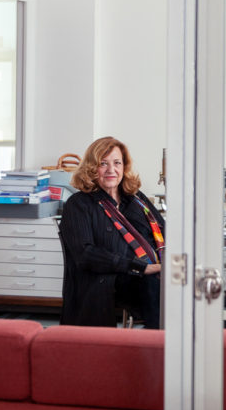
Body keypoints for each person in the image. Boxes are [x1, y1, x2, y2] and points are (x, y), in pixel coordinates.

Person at [59, 136, 165, 329]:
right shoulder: (78, 205)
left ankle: (198, 338)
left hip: (150, 270)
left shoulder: (136, 198)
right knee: (155, 287)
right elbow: (86, 255)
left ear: (124, 167)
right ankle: (160, 345)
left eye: (117, 163)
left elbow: (164, 230)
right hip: (108, 279)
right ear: (92, 168)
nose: (111, 170)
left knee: (194, 280)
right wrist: (140, 267)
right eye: (103, 164)